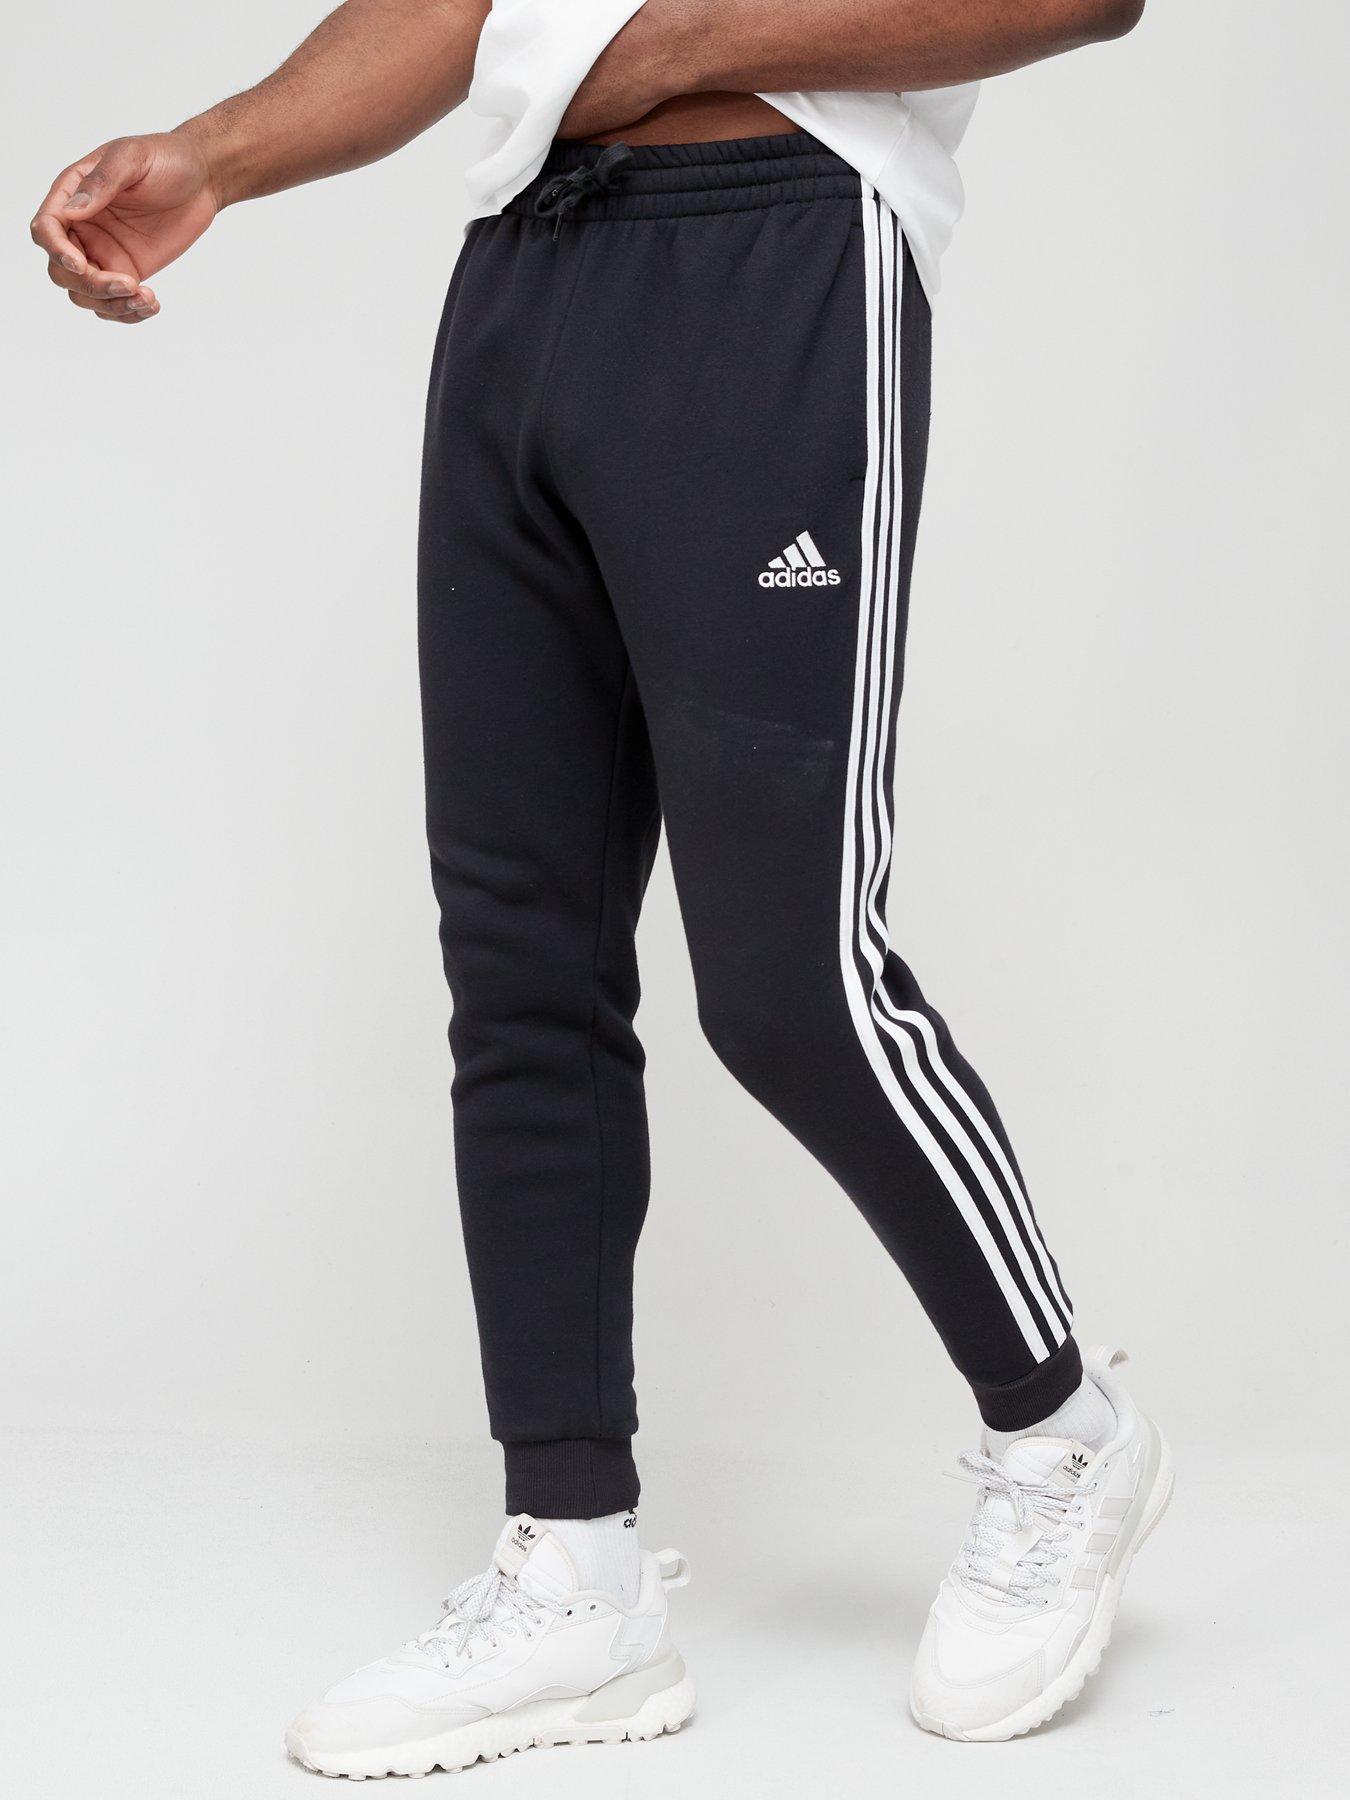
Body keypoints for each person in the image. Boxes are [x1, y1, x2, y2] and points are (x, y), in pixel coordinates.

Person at [31, 0, 1170, 1772]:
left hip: (777, 250)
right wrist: (215, 157)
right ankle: (575, 1575)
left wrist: (665, 45)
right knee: (522, 971)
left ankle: (1062, 1428)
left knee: (791, 981)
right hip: (526, 264)